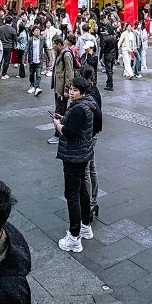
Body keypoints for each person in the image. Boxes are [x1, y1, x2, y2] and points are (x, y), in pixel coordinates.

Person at [54, 75, 96, 253]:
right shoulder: (88, 105)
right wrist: (64, 118)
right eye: (71, 89)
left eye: (75, 90)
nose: (71, 93)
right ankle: (85, 226)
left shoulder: (79, 108)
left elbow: (70, 132)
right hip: (83, 153)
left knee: (72, 195)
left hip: (74, 155)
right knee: (81, 190)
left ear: (83, 92)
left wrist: (58, 125)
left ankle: (74, 237)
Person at [79, 65, 103, 219]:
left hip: (88, 135)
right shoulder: (95, 90)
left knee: (87, 171)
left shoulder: (89, 94)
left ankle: (87, 204)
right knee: (92, 168)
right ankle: (93, 201)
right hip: (93, 134)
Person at [48, 35, 74, 145]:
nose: (52, 46)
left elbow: (70, 73)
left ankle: (58, 134)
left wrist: (67, 89)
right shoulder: (59, 53)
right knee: (59, 109)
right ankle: (60, 132)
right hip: (58, 87)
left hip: (62, 89)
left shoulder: (66, 54)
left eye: (54, 44)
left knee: (60, 111)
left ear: (59, 44)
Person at [25, 26, 46, 96]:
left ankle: (37, 87)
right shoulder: (30, 40)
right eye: (36, 30)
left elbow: (45, 47)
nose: (38, 32)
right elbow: (27, 48)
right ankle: (32, 85)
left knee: (38, 74)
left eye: (38, 30)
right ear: (33, 32)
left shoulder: (42, 39)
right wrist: (24, 57)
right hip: (32, 60)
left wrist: (48, 56)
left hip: (39, 60)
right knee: (31, 74)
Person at [100, 22, 118, 91]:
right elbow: (116, 48)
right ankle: (109, 82)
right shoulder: (114, 38)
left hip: (107, 55)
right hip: (113, 55)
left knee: (108, 70)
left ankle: (110, 84)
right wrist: (116, 56)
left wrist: (100, 56)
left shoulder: (105, 38)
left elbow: (103, 48)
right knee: (111, 69)